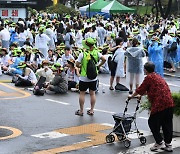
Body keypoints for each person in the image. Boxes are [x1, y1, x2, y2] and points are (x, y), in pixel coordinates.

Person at [128, 62, 174, 152]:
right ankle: (168, 144)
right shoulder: (157, 76)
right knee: (167, 124)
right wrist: (142, 94)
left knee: (152, 122)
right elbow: (151, 89)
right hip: (169, 103)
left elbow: (140, 89)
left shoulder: (149, 78)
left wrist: (131, 96)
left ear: (145, 69)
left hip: (160, 104)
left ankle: (159, 142)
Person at [75, 37, 106, 116]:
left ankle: (81, 111)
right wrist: (98, 66)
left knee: (82, 93)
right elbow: (104, 59)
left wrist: (82, 66)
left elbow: (77, 64)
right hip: (93, 77)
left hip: (84, 77)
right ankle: (92, 110)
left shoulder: (83, 54)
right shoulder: (96, 53)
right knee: (92, 93)